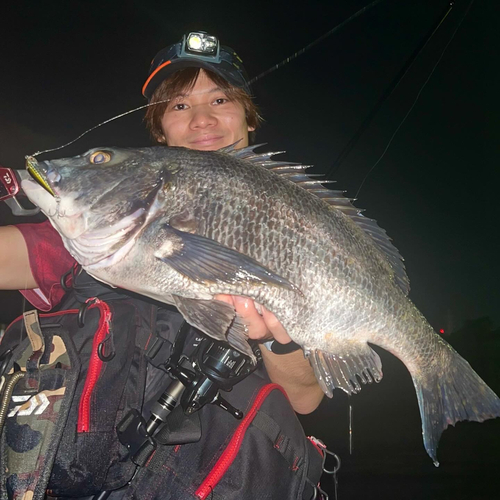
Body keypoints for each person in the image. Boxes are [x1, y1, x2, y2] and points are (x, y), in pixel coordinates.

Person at [0, 32, 326, 498]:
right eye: (178, 106)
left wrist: (276, 340)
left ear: (248, 116)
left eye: (220, 99)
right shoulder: (96, 229)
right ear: (159, 132)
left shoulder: (294, 231)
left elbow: (305, 398)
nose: (202, 119)